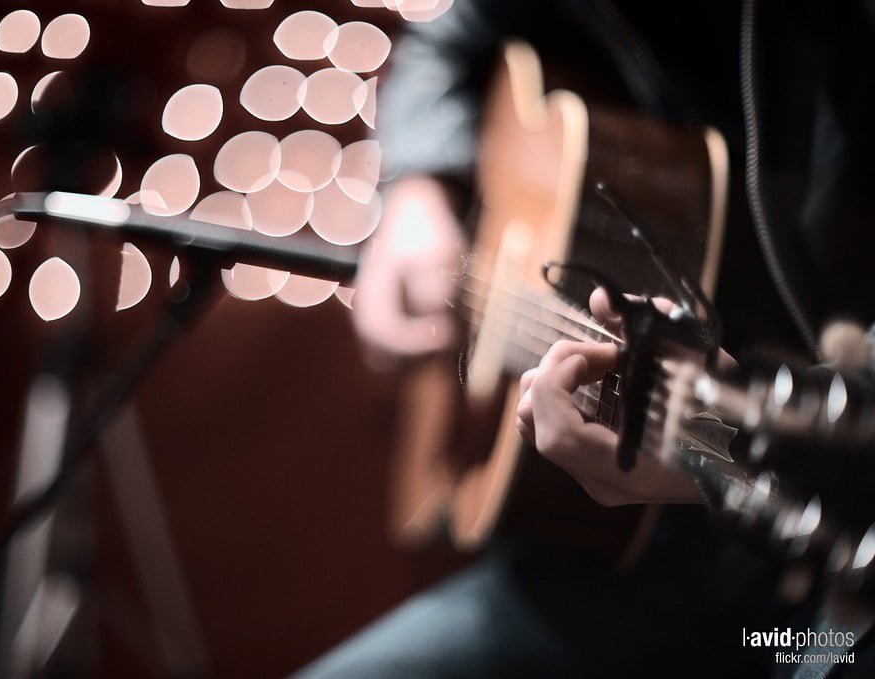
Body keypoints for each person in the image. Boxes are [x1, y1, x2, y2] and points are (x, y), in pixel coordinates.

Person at [296, 1, 875, 677]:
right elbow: (442, 40)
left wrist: (728, 453)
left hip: (831, 538)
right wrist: (418, 189)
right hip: (632, 558)